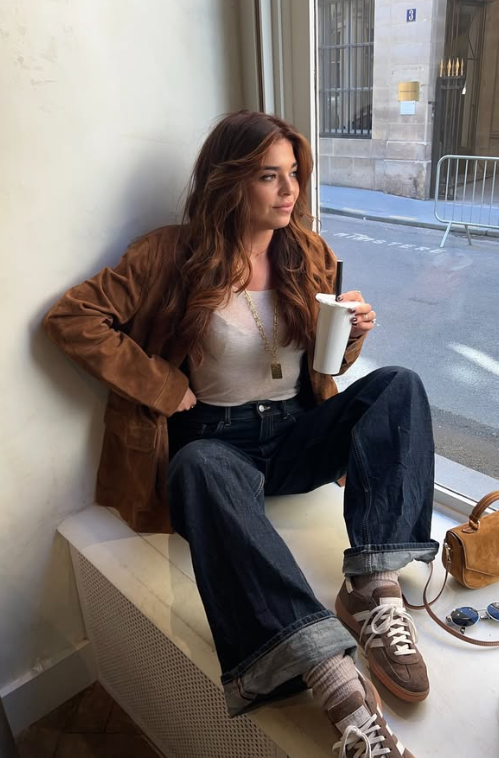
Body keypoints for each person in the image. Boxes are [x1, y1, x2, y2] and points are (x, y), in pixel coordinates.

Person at [43, 110, 438, 756]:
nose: (290, 191)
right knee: (195, 470)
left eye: (293, 175)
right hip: (218, 443)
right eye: (269, 176)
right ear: (230, 182)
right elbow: (73, 317)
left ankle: (372, 590)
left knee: (400, 386)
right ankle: (337, 683)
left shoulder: (306, 253)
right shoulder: (170, 255)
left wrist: (354, 333)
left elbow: (325, 367)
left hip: (295, 435)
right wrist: (163, 386)